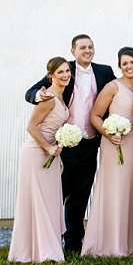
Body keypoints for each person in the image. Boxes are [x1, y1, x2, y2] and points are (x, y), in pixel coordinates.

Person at [24, 34, 116, 253]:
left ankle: (74, 243)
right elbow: (31, 92)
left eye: (91, 47)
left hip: (91, 143)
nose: (87, 50)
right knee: (58, 192)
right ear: (73, 51)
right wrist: (40, 95)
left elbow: (116, 94)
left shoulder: (105, 71)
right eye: (82, 47)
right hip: (65, 144)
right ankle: (51, 241)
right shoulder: (65, 71)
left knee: (81, 194)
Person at [81, 47, 133, 257]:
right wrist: (108, 134)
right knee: (116, 189)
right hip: (115, 144)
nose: (129, 66)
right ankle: (112, 243)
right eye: (125, 63)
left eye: (132, 62)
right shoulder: (112, 87)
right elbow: (95, 116)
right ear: (119, 66)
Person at [9, 57, 71, 263]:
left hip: (51, 154)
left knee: (49, 202)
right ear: (50, 76)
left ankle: (42, 248)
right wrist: (48, 147)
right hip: (37, 152)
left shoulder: (61, 97)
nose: (65, 75)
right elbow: (31, 126)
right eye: (60, 72)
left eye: (67, 71)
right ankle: (42, 252)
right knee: (39, 202)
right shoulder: (49, 98)